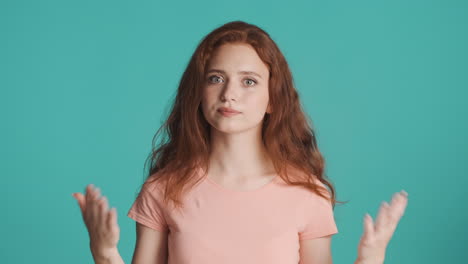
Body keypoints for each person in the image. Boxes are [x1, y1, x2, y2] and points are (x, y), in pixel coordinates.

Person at [72, 20, 408, 264]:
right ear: (198, 94)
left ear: (273, 100)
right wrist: (104, 254)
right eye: (216, 78)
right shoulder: (163, 189)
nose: (229, 94)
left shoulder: (308, 193)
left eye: (249, 81)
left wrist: (371, 259)